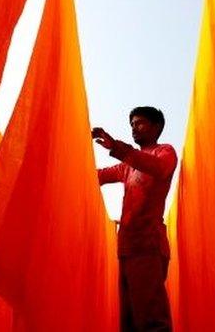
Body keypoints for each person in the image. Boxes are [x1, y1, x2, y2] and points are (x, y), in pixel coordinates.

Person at [93, 106, 177, 332]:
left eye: (139, 123)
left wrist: (117, 147)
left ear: (157, 127)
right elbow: (96, 176)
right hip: (127, 248)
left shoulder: (164, 152)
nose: (134, 128)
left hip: (149, 244)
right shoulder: (127, 166)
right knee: (129, 322)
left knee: (152, 321)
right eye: (132, 124)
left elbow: (159, 168)